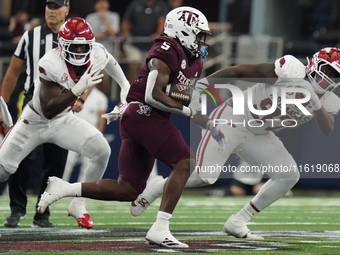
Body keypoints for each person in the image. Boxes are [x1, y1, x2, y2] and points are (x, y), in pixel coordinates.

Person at [37, 7, 224, 248]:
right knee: (185, 163)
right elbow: (154, 95)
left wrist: (210, 124)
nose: (202, 40)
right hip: (143, 113)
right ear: (183, 31)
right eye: (198, 34)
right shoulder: (166, 49)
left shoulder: (194, 61)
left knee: (127, 189)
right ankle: (160, 227)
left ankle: (64, 188)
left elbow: (183, 97)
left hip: (146, 118)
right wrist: (186, 110)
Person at [128, 47, 340, 239]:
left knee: (288, 175)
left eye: (335, 75)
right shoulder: (291, 70)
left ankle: (238, 221)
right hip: (232, 119)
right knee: (204, 177)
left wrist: (314, 101)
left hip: (259, 133)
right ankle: (156, 187)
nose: (328, 78)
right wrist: (202, 86)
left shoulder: (329, 100)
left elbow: (326, 128)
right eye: (327, 70)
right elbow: (240, 71)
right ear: (314, 64)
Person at [0, 16, 130, 232]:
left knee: (101, 150)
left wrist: (124, 84)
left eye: (83, 47)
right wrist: (78, 90)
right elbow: (49, 109)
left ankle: (78, 205)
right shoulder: (49, 62)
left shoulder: (96, 51)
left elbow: (109, 60)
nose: (79, 52)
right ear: (62, 45)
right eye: (74, 47)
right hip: (34, 121)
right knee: (3, 170)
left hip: (63, 120)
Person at [1, 0, 71, 228]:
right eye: (49, 6)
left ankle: (43, 213)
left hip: (62, 103)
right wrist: (1, 103)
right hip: (32, 101)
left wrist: (82, 98)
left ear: (66, 10)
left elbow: (91, 67)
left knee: (56, 161)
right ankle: (17, 209)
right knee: (20, 155)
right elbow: (13, 70)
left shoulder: (75, 36)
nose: (51, 10)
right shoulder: (30, 36)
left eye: (57, 6)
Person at [62, 86, 108, 182]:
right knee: (67, 163)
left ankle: (83, 192)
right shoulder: (75, 93)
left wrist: (97, 138)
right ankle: (60, 187)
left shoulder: (101, 98)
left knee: (87, 166)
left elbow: (101, 120)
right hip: (73, 134)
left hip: (90, 137)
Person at [121, 0, 168, 83]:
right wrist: (125, 32)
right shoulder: (135, 4)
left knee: (151, 68)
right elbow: (126, 21)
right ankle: (132, 90)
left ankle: (147, 93)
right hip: (134, 44)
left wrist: (158, 33)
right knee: (134, 63)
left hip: (152, 46)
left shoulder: (162, 6)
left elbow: (162, 21)